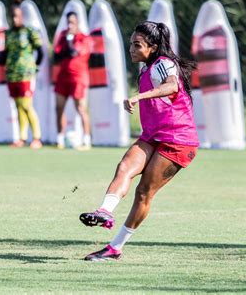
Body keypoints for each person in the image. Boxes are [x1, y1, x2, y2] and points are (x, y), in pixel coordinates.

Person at [79, 21, 199, 261]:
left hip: (178, 140)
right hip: (154, 135)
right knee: (124, 167)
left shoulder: (163, 65)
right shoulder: (146, 68)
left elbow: (171, 85)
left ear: (153, 47)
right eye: (131, 44)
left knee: (144, 192)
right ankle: (104, 211)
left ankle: (115, 248)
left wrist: (139, 96)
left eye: (137, 45)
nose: (131, 49)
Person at [5, 0, 44, 149]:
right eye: (12, 16)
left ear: (22, 17)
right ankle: (22, 137)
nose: (15, 19)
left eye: (17, 16)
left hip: (26, 74)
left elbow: (40, 51)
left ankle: (37, 138)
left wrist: (35, 66)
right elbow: (5, 53)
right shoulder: (8, 34)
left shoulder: (29, 32)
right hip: (12, 74)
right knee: (18, 106)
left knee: (27, 105)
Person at [53, 11, 92, 150]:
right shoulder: (62, 36)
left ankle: (86, 141)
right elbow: (57, 56)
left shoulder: (84, 38)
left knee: (81, 108)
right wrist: (66, 42)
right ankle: (60, 140)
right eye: (68, 22)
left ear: (77, 23)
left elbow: (73, 52)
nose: (70, 25)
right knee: (58, 108)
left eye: (72, 23)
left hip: (78, 78)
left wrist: (69, 39)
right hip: (63, 77)